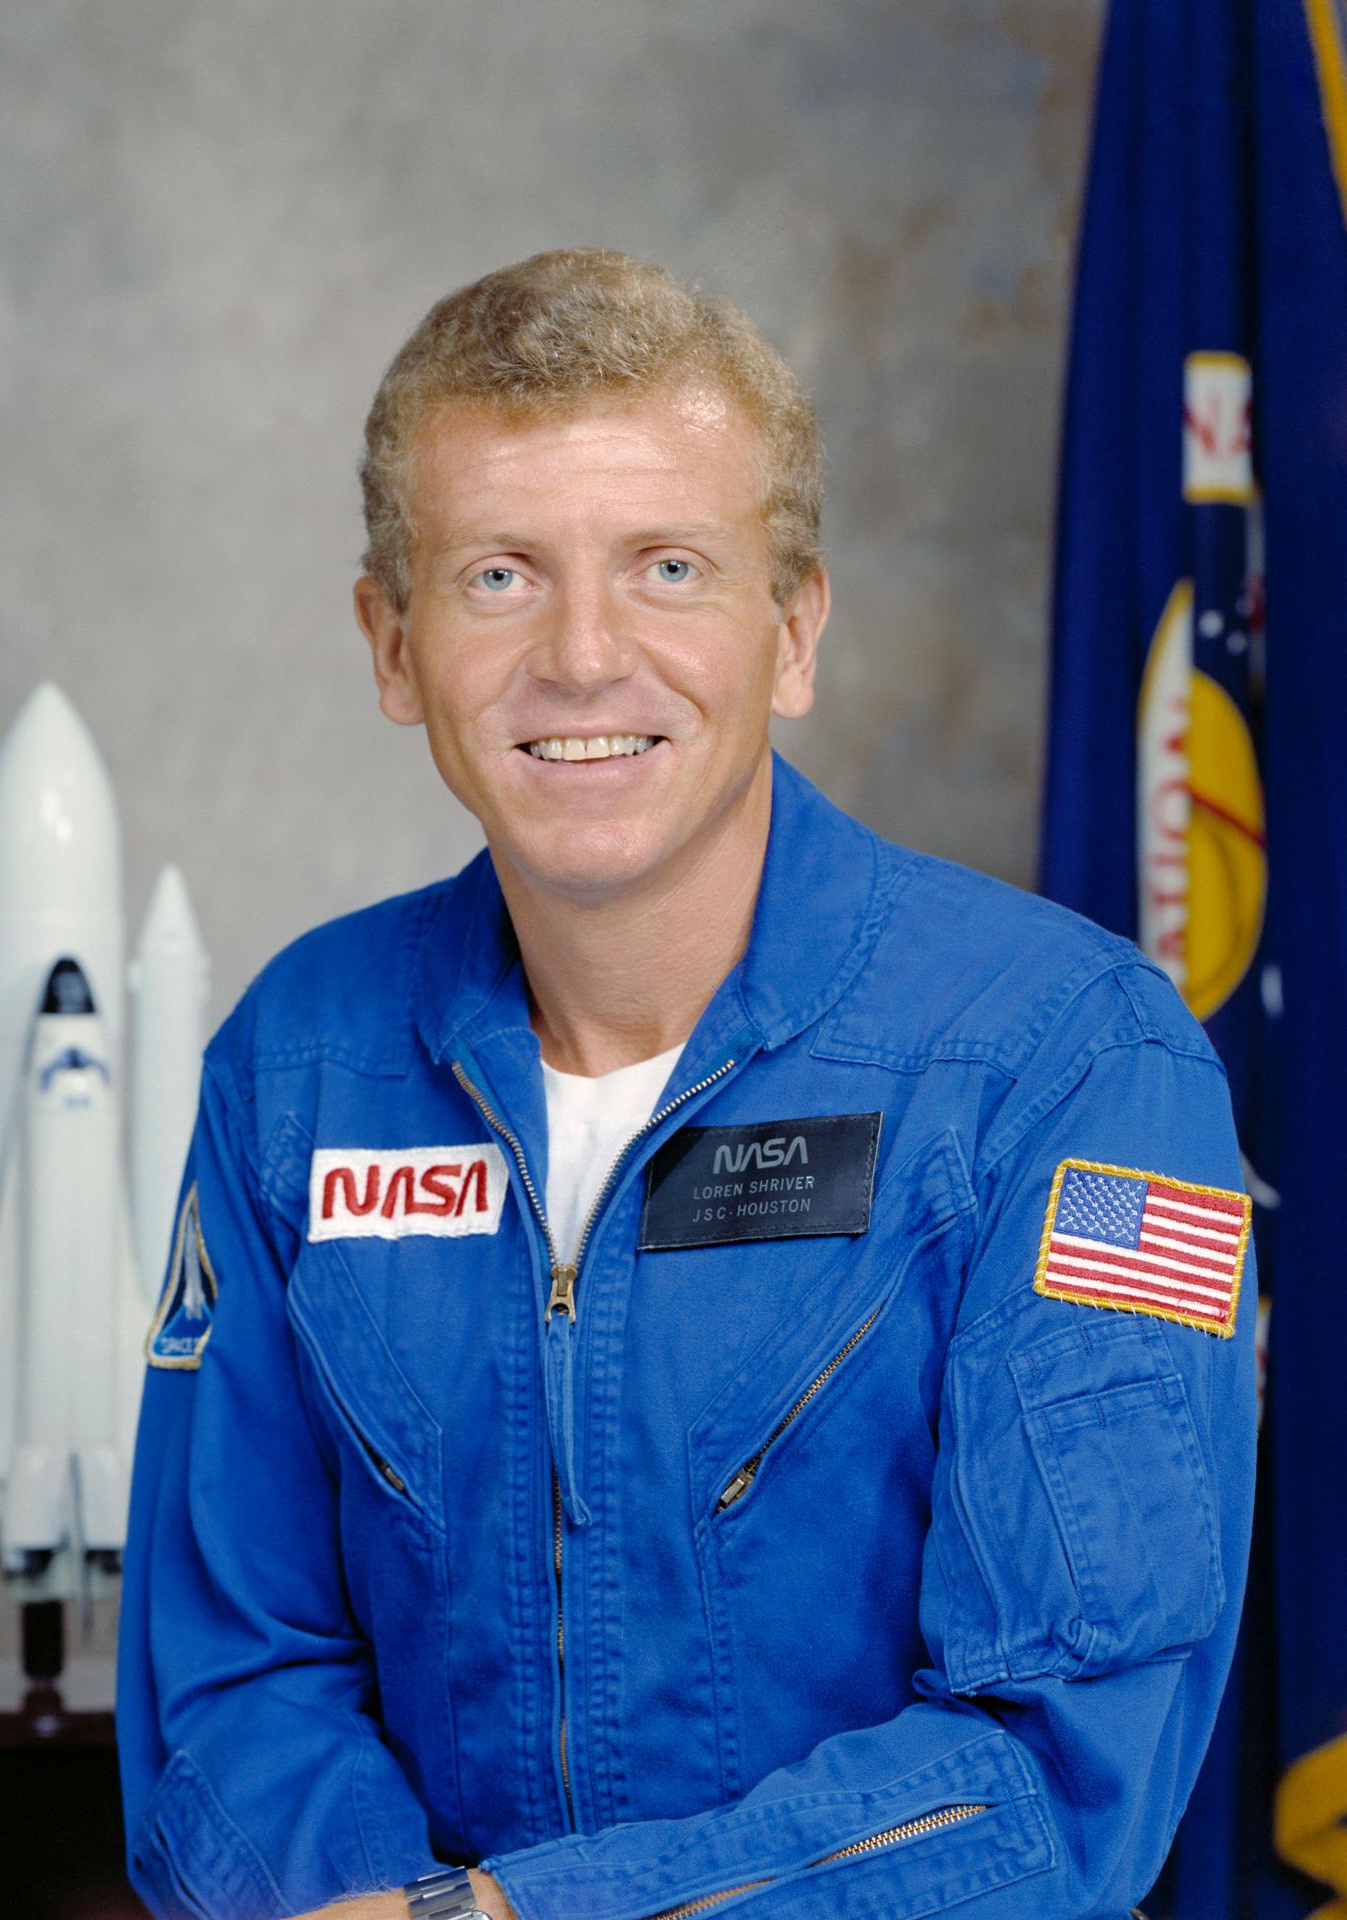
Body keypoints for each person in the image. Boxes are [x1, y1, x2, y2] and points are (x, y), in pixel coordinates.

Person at [116, 249, 1256, 1920]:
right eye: (499, 574)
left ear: (792, 631)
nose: (584, 656)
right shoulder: (299, 1067)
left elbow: (1064, 1769)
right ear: (392, 644)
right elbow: (229, 1690)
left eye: (667, 567)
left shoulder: (1079, 1067)